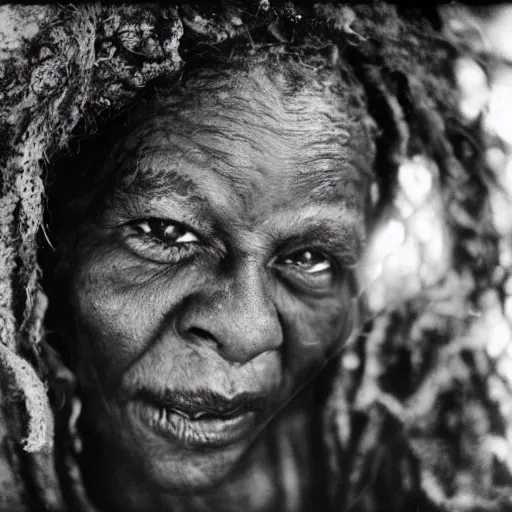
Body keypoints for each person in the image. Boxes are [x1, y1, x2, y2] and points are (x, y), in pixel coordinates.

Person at [0, 2, 510, 512]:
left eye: (310, 257)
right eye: (166, 232)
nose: (247, 333)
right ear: (33, 238)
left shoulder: (408, 473)